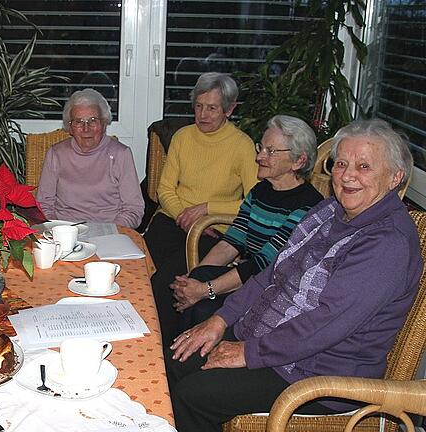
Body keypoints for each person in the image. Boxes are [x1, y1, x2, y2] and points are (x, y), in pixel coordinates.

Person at [167, 118, 422, 432]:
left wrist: (247, 352)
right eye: (340, 163)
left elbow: (325, 324)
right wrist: (220, 320)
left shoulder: (386, 243)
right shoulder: (328, 211)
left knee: (193, 396)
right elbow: (274, 272)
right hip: (271, 341)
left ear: (395, 177)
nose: (347, 175)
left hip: (318, 373)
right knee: (176, 362)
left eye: (364, 166)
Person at [170, 115, 323, 336]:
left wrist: (204, 290)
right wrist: (192, 282)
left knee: (204, 307)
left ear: (298, 161)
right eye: (261, 147)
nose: (259, 156)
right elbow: (231, 243)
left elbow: (264, 263)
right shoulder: (260, 192)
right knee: (189, 283)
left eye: (271, 151)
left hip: (275, 289)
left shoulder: (308, 206)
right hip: (248, 277)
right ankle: (171, 358)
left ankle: (189, 361)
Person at [143, 72, 259, 347]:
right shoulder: (183, 137)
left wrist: (207, 209)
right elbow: (164, 190)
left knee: (165, 283)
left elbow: (255, 201)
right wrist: (187, 216)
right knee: (137, 272)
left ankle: (163, 348)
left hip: (214, 231)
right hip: (172, 220)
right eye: (198, 106)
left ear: (230, 110)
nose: (203, 114)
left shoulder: (242, 145)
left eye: (212, 108)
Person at [36, 88, 144, 228]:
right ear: (70, 127)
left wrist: (112, 231)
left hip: (110, 230)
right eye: (79, 122)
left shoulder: (121, 154)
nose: (86, 129)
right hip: (65, 231)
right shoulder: (56, 154)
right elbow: (44, 204)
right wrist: (58, 230)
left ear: (104, 123)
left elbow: (133, 208)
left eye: (93, 121)